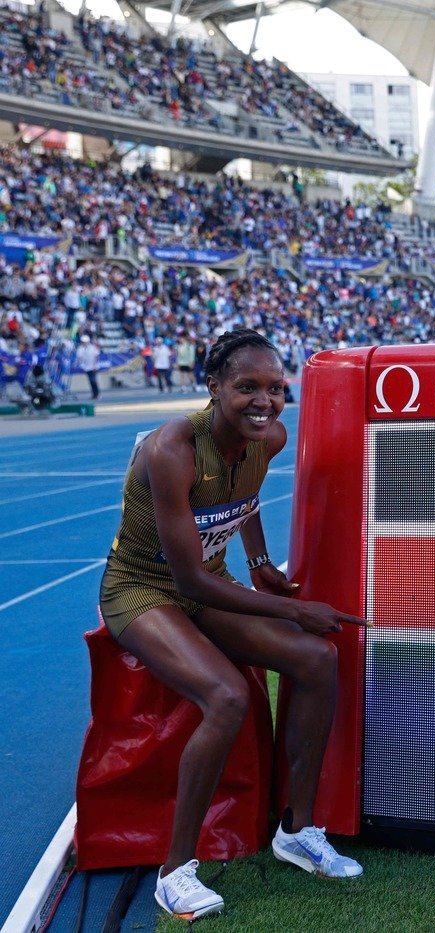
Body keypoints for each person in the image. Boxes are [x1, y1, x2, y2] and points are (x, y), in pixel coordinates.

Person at [97, 328, 367, 921]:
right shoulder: (172, 450)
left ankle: (297, 831)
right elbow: (188, 582)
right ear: (213, 387)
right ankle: (175, 874)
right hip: (144, 589)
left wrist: (262, 562)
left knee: (317, 660)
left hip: (207, 580)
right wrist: (296, 609)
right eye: (247, 387)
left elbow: (242, 501)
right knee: (224, 695)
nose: (264, 400)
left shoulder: (268, 437)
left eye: (276, 388)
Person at [75, 334, 100, 400]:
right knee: (91, 381)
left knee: (93, 380)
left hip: (93, 367)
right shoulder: (80, 348)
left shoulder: (92, 347)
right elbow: (79, 358)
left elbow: (96, 356)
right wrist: (82, 365)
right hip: (86, 367)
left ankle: (96, 394)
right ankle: (94, 394)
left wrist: (95, 365)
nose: (84, 343)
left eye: (85, 341)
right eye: (83, 342)